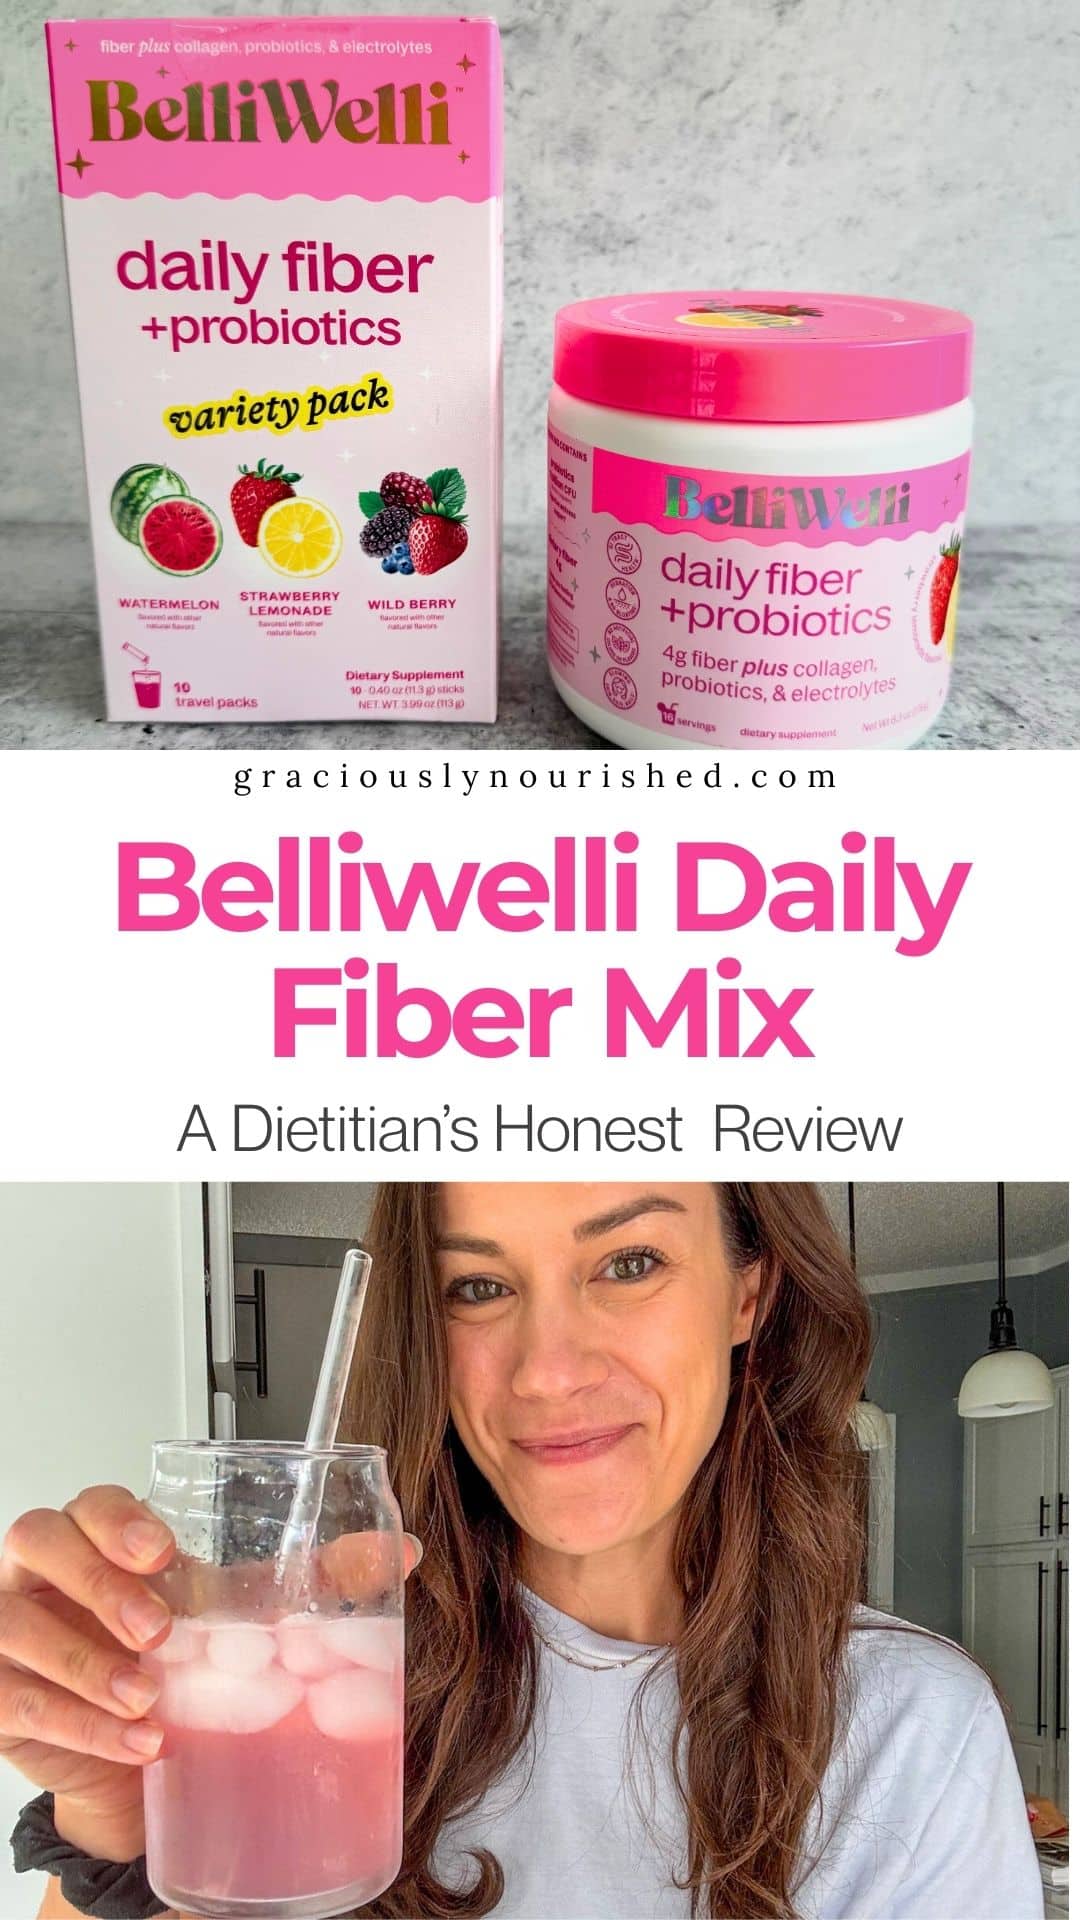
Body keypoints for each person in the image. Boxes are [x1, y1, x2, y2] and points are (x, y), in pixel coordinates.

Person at [2, 1183, 1043, 1919]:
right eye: (478, 1287)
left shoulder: (912, 1728)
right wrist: (110, 1830)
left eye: (629, 1262)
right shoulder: (324, 1681)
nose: (547, 1371)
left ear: (748, 1294)